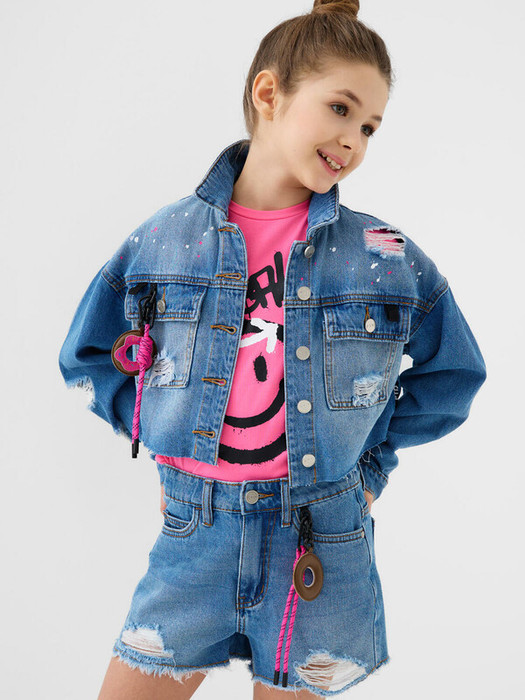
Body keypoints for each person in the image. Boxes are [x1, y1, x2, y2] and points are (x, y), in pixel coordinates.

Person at [58, 1, 487, 698]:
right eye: (340, 108)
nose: (353, 139)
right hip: (194, 531)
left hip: (321, 539)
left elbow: (454, 374)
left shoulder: (385, 256)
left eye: (369, 126)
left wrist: (368, 472)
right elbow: (89, 357)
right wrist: (163, 438)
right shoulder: (164, 241)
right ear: (269, 93)